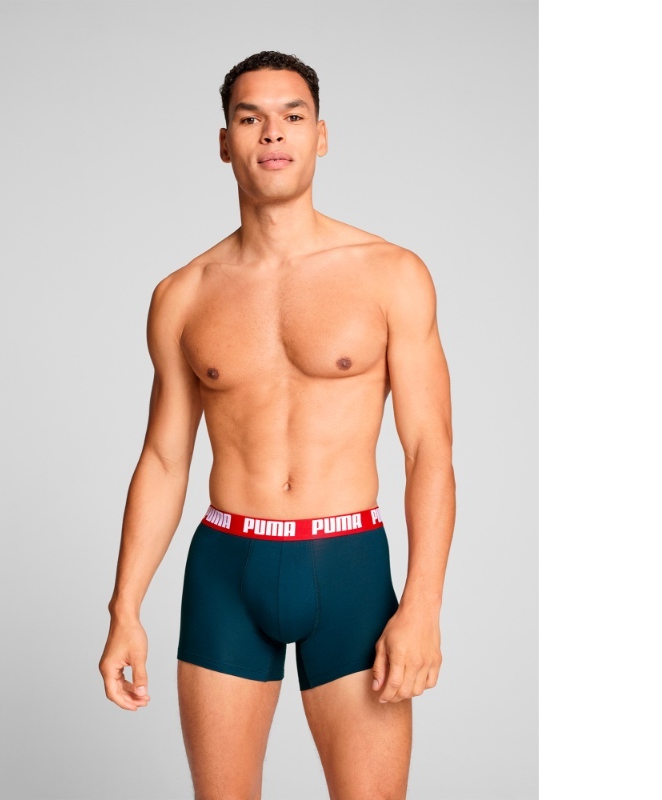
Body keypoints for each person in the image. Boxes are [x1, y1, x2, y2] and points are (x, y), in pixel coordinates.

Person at [99, 50, 455, 800]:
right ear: (224, 141)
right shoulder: (182, 294)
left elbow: (429, 449)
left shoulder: (391, 273)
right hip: (226, 569)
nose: (272, 133)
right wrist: (124, 606)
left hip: (349, 567)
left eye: (293, 116)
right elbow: (164, 459)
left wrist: (423, 603)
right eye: (250, 117)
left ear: (320, 136)